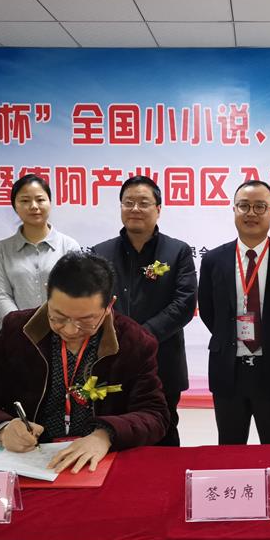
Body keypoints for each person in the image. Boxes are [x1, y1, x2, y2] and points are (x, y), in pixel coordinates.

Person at [0, 251, 168, 473]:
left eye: (85, 321)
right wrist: (3, 429)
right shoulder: (17, 331)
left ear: (109, 306)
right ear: (47, 293)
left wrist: (105, 435)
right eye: (58, 317)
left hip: (97, 463)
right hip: (30, 460)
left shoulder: (134, 341)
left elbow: (155, 414)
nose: (70, 330)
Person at [198, 180, 270, 444]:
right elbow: (208, 310)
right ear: (234, 210)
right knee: (229, 447)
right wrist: (230, 336)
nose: (251, 213)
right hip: (228, 369)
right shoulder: (214, 260)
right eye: (244, 206)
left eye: (260, 206)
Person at [92, 175, 197, 446]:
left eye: (143, 202)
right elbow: (91, 303)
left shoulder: (178, 251)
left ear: (158, 209)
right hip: (112, 361)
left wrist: (139, 336)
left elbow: (184, 304)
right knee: (115, 432)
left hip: (163, 362)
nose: (135, 209)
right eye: (128, 202)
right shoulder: (100, 253)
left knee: (164, 430)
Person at [0, 174, 80, 321]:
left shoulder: (69, 246)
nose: (34, 206)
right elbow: (2, 295)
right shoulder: (1, 250)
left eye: (40, 200)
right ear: (15, 206)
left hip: (62, 329)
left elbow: (75, 292)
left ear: (50, 202)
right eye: (25, 201)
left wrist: (57, 324)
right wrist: (21, 326)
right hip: (15, 330)